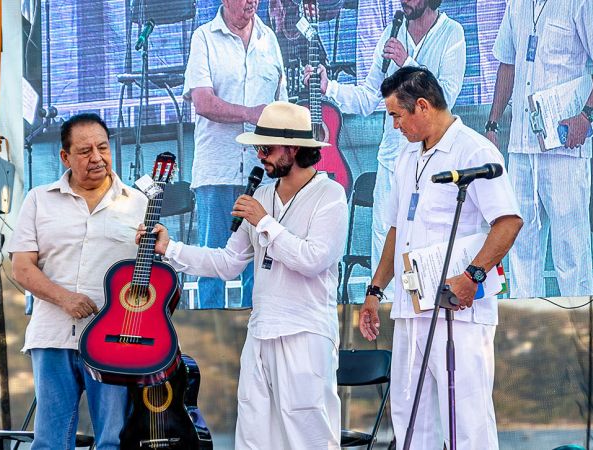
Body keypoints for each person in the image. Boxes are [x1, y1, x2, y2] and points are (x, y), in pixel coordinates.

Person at [142, 101, 347, 449]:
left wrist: (263, 222)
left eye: (265, 148)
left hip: (306, 331)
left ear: (294, 148)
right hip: (261, 331)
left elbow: (314, 259)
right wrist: (170, 249)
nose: (259, 156)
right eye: (257, 148)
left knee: (307, 433)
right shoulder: (262, 194)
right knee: (253, 434)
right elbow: (227, 262)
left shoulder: (330, 195)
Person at [358, 67, 523, 449]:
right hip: (410, 308)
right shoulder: (406, 156)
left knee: (465, 420)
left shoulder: (473, 149)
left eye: (397, 116)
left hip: (458, 309)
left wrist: (473, 276)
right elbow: (397, 230)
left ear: (422, 107)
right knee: (409, 415)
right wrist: (374, 289)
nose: (395, 125)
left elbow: (509, 221)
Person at [6, 113, 146, 450]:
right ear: (65, 157)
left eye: (102, 147)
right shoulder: (39, 199)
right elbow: (22, 268)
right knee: (51, 441)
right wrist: (65, 299)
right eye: (84, 151)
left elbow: (151, 280)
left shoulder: (139, 203)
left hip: (115, 341)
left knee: (113, 440)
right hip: (53, 336)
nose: (96, 158)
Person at [309, 0, 466, 300]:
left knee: (425, 240)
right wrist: (330, 88)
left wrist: (408, 63)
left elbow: (444, 99)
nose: (405, 2)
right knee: (385, 239)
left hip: (431, 161)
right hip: (392, 159)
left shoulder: (452, 34)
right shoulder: (392, 33)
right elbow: (370, 97)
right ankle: (386, 319)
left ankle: (427, 316)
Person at [487, 0, 593, 297]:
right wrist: (493, 124)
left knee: (570, 248)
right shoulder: (516, 5)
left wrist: (586, 115)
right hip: (521, 145)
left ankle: (579, 335)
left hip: (564, 146)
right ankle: (527, 332)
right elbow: (507, 63)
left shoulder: (581, 2)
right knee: (520, 245)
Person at [182, 0, 287, 308]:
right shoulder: (204, 37)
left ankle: (258, 340)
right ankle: (210, 344)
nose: (251, 2)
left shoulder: (270, 40)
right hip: (218, 170)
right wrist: (251, 113)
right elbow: (202, 102)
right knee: (213, 261)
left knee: (261, 263)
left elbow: (281, 105)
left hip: (263, 172)